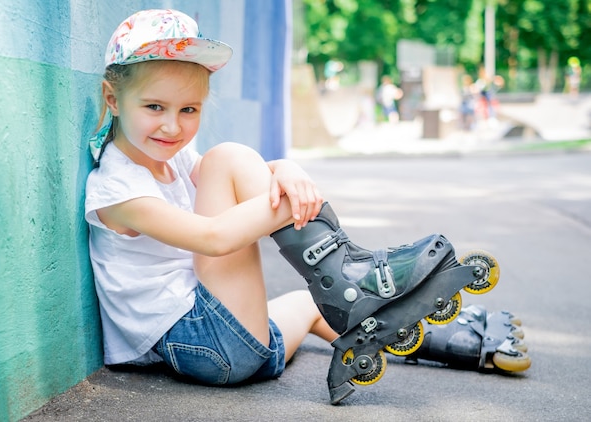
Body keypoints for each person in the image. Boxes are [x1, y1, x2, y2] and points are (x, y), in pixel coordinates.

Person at [85, 9, 530, 399]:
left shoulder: (175, 160)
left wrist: (285, 169)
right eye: (155, 106)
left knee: (316, 302)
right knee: (228, 157)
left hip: (229, 342)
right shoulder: (117, 188)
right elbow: (215, 237)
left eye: (189, 110)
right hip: (202, 340)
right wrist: (289, 203)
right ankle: (347, 268)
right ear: (113, 98)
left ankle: (456, 339)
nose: (172, 125)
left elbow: (243, 187)